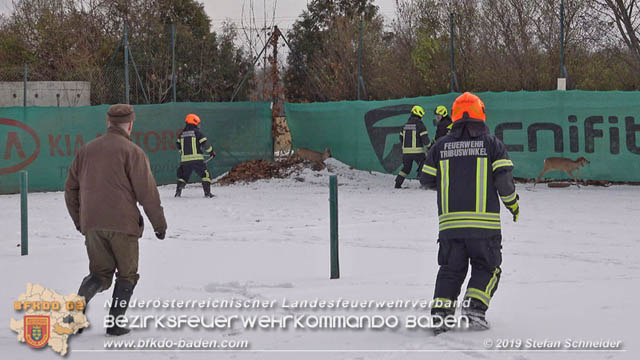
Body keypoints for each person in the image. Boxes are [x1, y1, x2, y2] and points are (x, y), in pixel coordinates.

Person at [419, 92, 519, 335]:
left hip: (450, 226)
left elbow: (425, 180)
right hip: (484, 227)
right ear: (481, 114)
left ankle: (441, 316)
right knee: (488, 266)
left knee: (450, 270)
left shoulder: (440, 145)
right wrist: (513, 205)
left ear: (454, 115)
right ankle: (475, 310)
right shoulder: (492, 144)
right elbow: (504, 182)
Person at [64, 104, 167, 336]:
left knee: (99, 275)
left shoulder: (85, 151)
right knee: (127, 275)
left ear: (107, 123)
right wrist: (159, 225)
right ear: (130, 124)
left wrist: (80, 221)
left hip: (92, 224)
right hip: (123, 226)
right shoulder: (133, 152)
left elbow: (70, 189)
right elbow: (147, 193)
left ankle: (75, 315)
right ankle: (115, 323)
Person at [174, 114, 216, 198]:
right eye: (197, 123)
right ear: (194, 122)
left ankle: (178, 193)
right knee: (205, 175)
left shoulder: (181, 134)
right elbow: (205, 144)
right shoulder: (197, 133)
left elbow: (178, 146)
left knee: (183, 176)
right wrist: (211, 152)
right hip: (197, 159)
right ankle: (207, 193)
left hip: (185, 160)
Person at [394, 105, 430, 189]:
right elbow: (425, 139)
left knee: (406, 168)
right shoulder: (420, 125)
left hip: (406, 153)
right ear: (419, 114)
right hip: (417, 152)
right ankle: (422, 180)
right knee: (424, 164)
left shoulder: (405, 125)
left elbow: (401, 138)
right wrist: (429, 146)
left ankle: (397, 184)